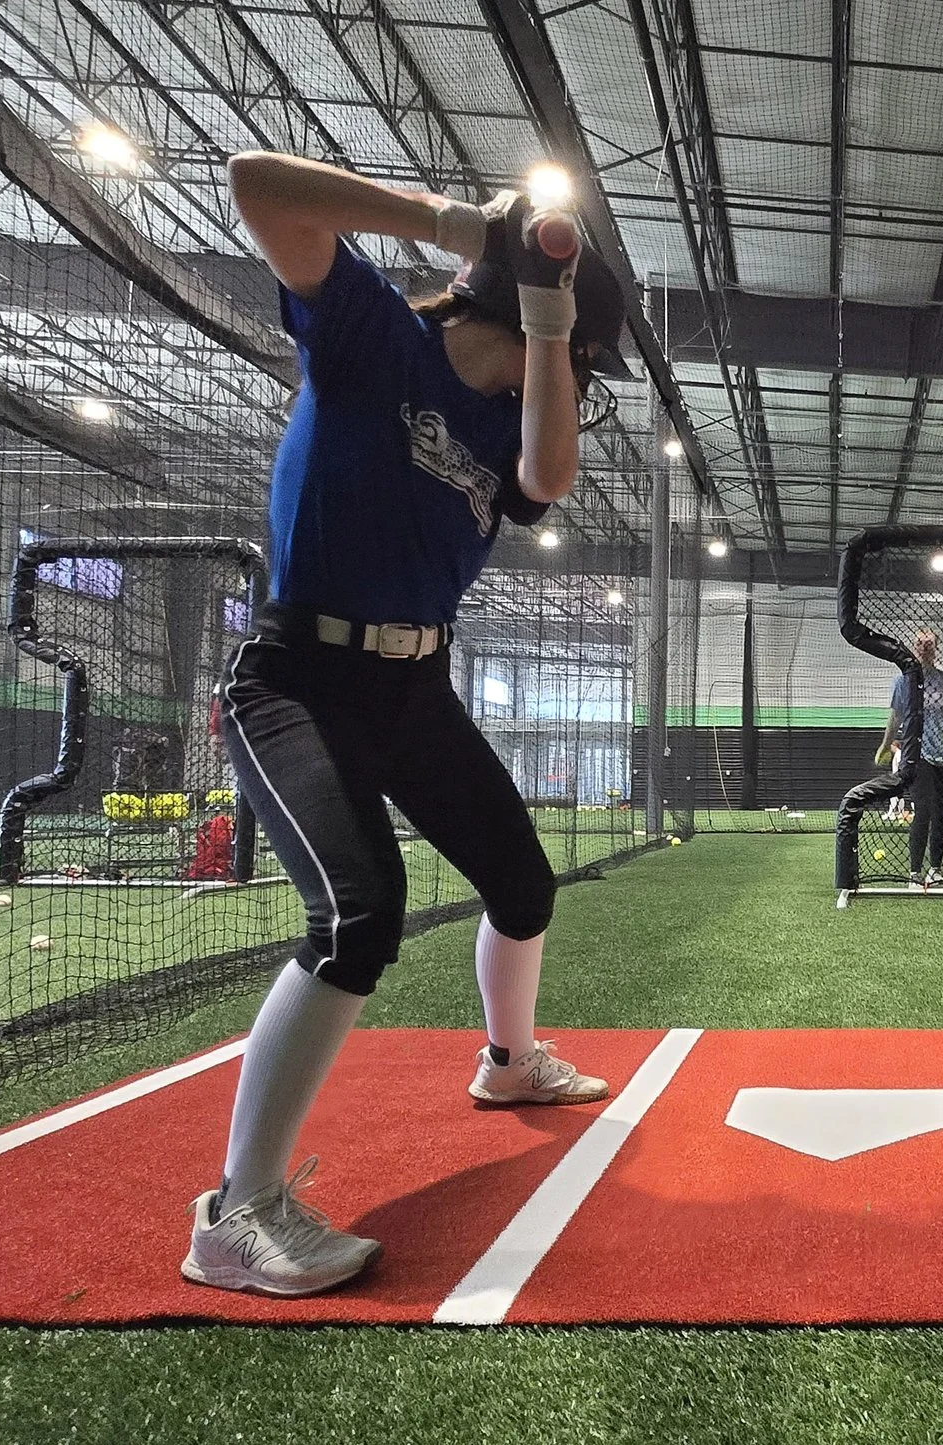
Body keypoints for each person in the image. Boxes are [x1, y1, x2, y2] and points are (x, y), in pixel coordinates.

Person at [181, 148, 632, 1299]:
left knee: (521, 882)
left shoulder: (510, 427)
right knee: (359, 913)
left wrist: (541, 327)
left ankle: (509, 1063)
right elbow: (258, 185)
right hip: (293, 679)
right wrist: (446, 222)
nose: (581, 381)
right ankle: (237, 1213)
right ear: (575, 346)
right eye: (588, 363)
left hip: (414, 690)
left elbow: (550, 474)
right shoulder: (371, 334)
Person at [876, 628, 943, 885]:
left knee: (941, 813)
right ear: (913, 647)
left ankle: (936, 869)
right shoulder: (903, 681)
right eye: (920, 643)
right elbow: (895, 717)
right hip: (918, 755)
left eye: (929, 644)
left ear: (936, 648)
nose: (924, 648)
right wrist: (885, 745)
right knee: (923, 811)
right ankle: (914, 872)